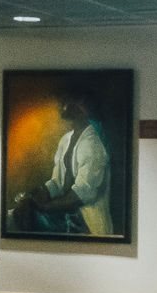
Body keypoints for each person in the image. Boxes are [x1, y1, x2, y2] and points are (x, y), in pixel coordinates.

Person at [11, 89, 112, 235]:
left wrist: (43, 207)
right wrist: (35, 196)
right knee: (18, 215)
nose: (62, 104)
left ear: (81, 107)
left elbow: (82, 194)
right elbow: (57, 182)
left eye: (68, 101)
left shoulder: (93, 144)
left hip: (89, 226)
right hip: (67, 219)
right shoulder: (66, 139)